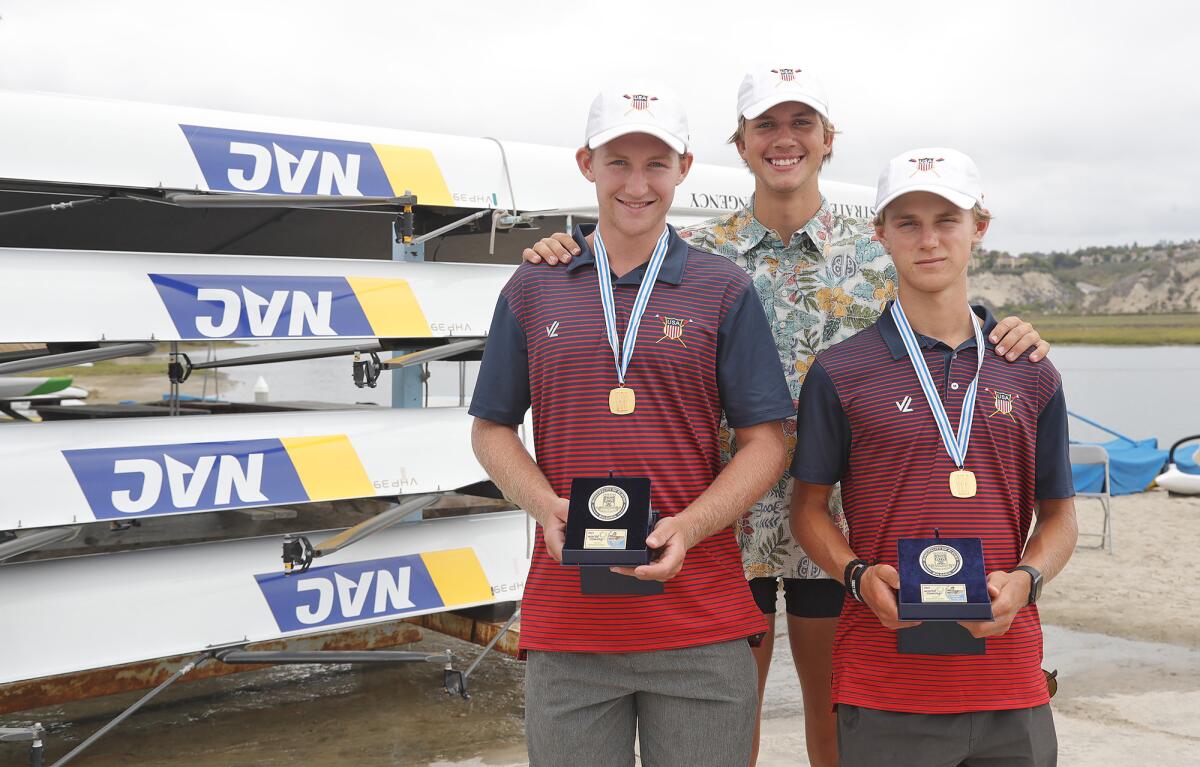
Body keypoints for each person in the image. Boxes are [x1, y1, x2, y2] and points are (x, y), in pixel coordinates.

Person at [521, 67, 1050, 767]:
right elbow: (613, 269)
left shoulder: (878, 247)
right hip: (718, 523)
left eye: (802, 123)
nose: (784, 140)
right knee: (726, 722)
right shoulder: (698, 251)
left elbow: (945, 308)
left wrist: (1003, 327)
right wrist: (560, 250)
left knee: (833, 719)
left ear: (829, 139)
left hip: (832, 520)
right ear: (738, 143)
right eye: (765, 125)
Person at [470, 83, 795, 767]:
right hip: (571, 629)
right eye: (619, 161)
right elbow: (492, 429)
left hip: (701, 624)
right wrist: (544, 506)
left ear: (684, 168)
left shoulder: (722, 287)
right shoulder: (534, 286)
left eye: (656, 163)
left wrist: (690, 525)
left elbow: (770, 440)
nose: (637, 183)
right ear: (587, 163)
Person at [789, 147, 1078, 766]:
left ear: (979, 226)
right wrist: (855, 575)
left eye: (946, 219)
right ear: (881, 234)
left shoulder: (1031, 371)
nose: (928, 240)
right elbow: (808, 510)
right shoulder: (840, 371)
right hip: (885, 686)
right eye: (907, 223)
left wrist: (1026, 582)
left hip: (1012, 687)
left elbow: (1059, 516)